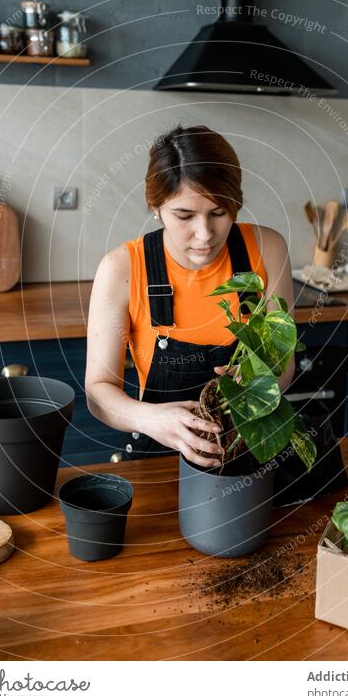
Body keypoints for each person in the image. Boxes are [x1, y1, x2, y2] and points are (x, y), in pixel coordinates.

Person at [84, 124, 296, 468]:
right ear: (155, 206)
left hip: (248, 453)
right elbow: (98, 390)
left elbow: (284, 366)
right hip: (158, 458)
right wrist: (149, 419)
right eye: (184, 216)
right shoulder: (121, 269)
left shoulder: (268, 249)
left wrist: (260, 382)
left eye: (219, 213)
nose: (205, 235)